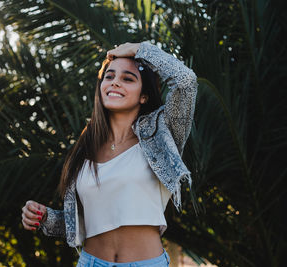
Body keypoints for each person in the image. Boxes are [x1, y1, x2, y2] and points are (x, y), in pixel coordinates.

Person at [21, 41, 197, 267]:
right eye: (109, 76)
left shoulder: (163, 135)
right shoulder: (86, 146)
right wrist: (45, 217)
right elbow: (86, 222)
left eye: (127, 78)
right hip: (90, 262)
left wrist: (138, 49)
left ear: (144, 96)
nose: (115, 82)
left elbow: (186, 82)